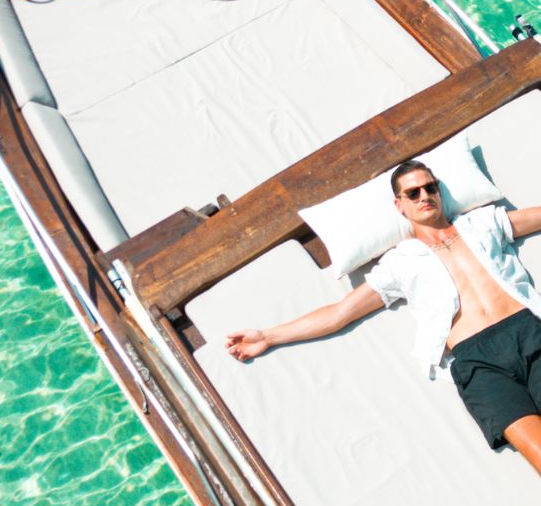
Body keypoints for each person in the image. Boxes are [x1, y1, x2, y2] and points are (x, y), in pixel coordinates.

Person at [226, 160, 541, 474]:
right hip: (477, 362)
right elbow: (339, 314)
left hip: (528, 332)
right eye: (413, 192)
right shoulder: (399, 263)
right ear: (399, 204)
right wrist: (268, 336)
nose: (423, 196)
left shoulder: (481, 223)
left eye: (430, 188)